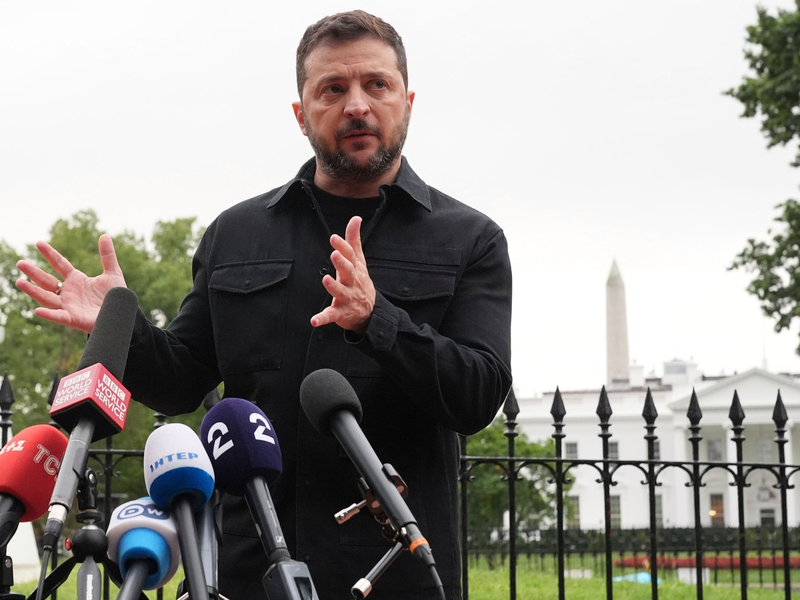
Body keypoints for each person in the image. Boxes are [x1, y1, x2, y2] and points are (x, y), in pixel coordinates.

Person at [16, 10, 512, 599]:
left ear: (407, 100)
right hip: (244, 571)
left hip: (393, 573)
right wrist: (120, 328)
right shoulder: (237, 234)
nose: (357, 105)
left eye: (376, 85)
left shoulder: (470, 239)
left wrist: (377, 321)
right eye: (333, 89)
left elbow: (478, 395)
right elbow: (181, 379)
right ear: (302, 114)